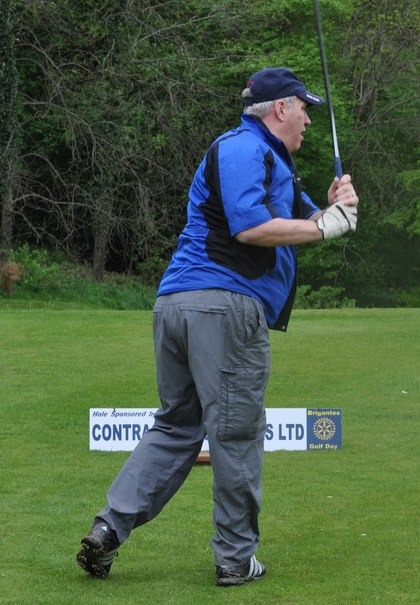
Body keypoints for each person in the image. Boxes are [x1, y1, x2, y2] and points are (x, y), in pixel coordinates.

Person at [76, 67, 359, 587]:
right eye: (305, 109)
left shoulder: (271, 162)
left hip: (180, 305)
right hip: (223, 308)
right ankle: (235, 559)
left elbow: (306, 224)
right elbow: (251, 227)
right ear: (280, 109)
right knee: (236, 435)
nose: (309, 122)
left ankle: (106, 532)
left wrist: (335, 211)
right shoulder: (241, 147)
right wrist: (324, 226)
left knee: (177, 426)